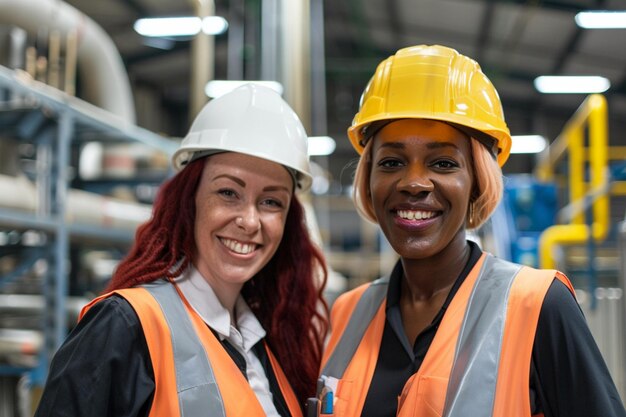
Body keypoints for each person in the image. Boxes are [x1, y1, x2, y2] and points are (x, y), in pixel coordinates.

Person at [314, 45, 626, 417]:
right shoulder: (347, 313)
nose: (414, 182)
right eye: (392, 162)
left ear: (477, 180)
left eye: (443, 163)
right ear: (368, 180)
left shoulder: (537, 305)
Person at [34, 84, 329, 417]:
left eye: (271, 202)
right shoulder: (126, 326)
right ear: (190, 199)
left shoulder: (269, 342)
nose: (250, 221)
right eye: (229, 192)